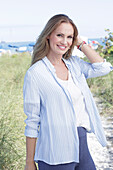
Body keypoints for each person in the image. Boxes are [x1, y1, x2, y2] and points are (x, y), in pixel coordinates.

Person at [23, 14, 113, 170]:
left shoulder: (74, 64)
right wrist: (29, 162)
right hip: (54, 152)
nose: (65, 41)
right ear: (48, 36)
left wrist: (80, 44)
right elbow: (32, 121)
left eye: (69, 37)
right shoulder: (35, 74)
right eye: (60, 35)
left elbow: (104, 68)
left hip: (81, 145)